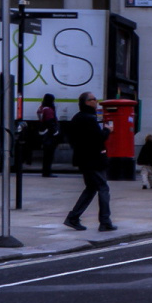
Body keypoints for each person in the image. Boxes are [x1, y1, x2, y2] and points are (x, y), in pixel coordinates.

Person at [63, 92, 115, 231]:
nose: (96, 101)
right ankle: (105, 221)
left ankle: (73, 218)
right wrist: (107, 130)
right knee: (103, 188)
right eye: (93, 99)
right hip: (93, 160)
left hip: (83, 159)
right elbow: (97, 139)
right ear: (87, 102)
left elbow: (73, 139)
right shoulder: (89, 119)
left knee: (91, 188)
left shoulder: (77, 118)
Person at [36, 94, 61, 176]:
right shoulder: (49, 110)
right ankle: (47, 172)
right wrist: (55, 132)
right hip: (49, 135)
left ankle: (45, 171)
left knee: (46, 155)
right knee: (49, 155)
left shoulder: (41, 108)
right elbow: (50, 122)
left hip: (43, 133)